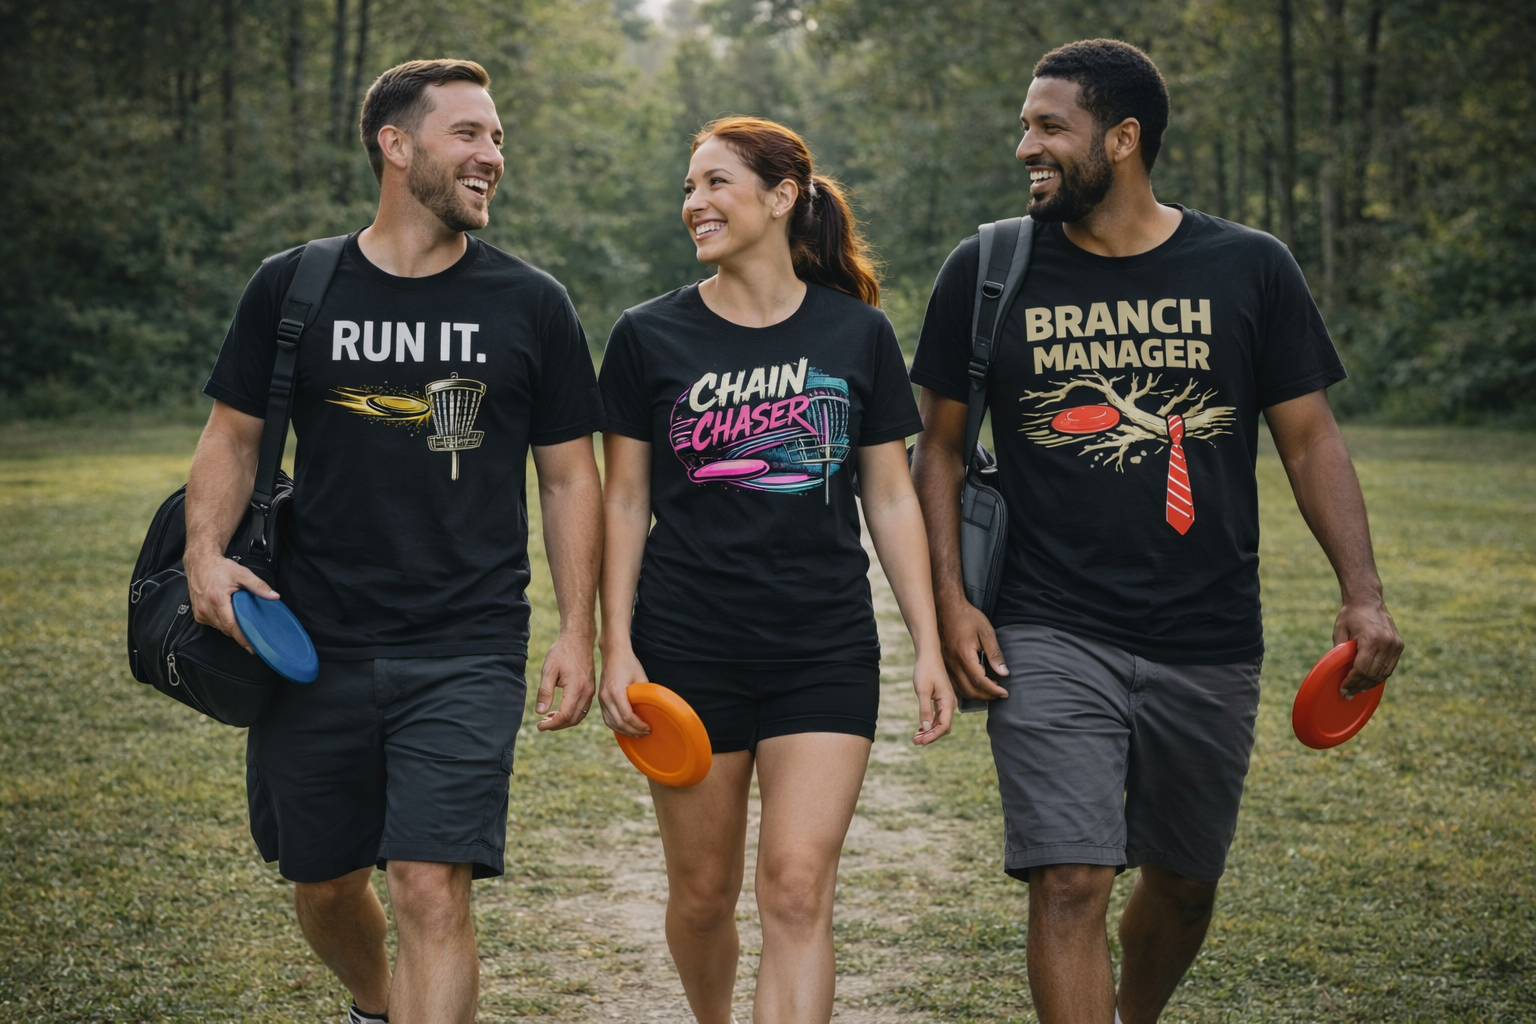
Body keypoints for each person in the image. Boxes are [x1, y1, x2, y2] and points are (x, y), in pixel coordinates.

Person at [909, 39, 1404, 1024]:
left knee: (1183, 884)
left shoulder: (1249, 266)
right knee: (1070, 877)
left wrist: (1362, 591)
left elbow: (1308, 442)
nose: (1026, 146)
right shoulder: (991, 267)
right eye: (1024, 124)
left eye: (1049, 125)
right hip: (1047, 623)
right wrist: (953, 603)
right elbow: (940, 448)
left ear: (1122, 139)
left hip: (1208, 630)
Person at [184, 59, 606, 1024]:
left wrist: (575, 629)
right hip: (309, 638)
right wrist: (205, 553)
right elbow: (234, 435)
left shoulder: (531, 304)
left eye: (497, 138)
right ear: (397, 145)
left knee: (427, 883)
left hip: (467, 643)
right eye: (470, 134)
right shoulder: (294, 287)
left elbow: (571, 475)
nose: (492, 157)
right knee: (325, 886)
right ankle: (379, 1008)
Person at [597, 116, 955, 1024]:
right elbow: (621, 500)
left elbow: (893, 495)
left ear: (782, 195)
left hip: (823, 648)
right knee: (704, 894)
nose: (695, 204)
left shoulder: (858, 333)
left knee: (797, 890)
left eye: (716, 183)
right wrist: (614, 646)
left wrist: (927, 644)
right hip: (686, 649)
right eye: (689, 187)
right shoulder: (647, 335)